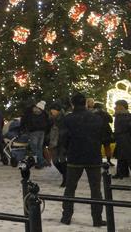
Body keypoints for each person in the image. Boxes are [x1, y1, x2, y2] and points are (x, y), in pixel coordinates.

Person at [60, 93, 106, 227]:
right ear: (85, 103)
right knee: (96, 189)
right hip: (93, 156)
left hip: (75, 156)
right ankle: (97, 219)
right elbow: (102, 135)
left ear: (72, 104)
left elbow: (64, 138)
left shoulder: (68, 119)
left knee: (70, 188)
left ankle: (66, 217)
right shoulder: (96, 118)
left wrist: (68, 149)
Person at [20, 100, 49, 169]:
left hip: (34, 131)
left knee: (34, 148)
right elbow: (47, 121)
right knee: (39, 148)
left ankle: (41, 162)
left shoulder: (29, 111)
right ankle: (40, 162)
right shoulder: (44, 112)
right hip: (42, 131)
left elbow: (23, 119)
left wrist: (22, 129)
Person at [47, 102, 67, 187]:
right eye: (51, 110)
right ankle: (65, 174)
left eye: (53, 110)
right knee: (55, 161)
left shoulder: (64, 118)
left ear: (58, 110)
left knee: (62, 160)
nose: (52, 111)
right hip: (53, 142)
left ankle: (65, 178)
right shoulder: (51, 119)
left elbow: (66, 130)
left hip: (62, 142)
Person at [112, 99, 130, 179]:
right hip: (123, 138)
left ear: (121, 107)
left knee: (125, 155)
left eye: (117, 106)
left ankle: (121, 172)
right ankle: (122, 172)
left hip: (124, 138)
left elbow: (121, 128)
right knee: (123, 155)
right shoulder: (125, 115)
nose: (115, 107)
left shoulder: (123, 116)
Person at [92, 102, 114, 167]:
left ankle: (99, 161)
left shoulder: (93, 114)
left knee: (97, 148)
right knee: (107, 147)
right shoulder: (105, 113)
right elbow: (111, 120)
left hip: (97, 132)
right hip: (106, 132)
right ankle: (109, 161)